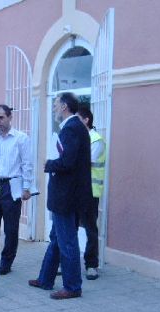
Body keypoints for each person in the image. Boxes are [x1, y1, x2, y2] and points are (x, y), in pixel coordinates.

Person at [28, 92, 92, 299]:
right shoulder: (74, 128)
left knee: (67, 241)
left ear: (65, 106)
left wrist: (49, 164)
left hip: (66, 196)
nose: (55, 109)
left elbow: (67, 161)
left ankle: (73, 286)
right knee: (57, 238)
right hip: (67, 195)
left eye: (56, 105)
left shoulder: (72, 128)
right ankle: (46, 278)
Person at [0, 104, 33, 275]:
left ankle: (6, 262)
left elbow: (27, 163)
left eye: (1, 117)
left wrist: (27, 187)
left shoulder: (21, 138)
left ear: (9, 117)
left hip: (12, 186)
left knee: (11, 228)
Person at [77, 106, 106, 280]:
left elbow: (84, 163)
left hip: (90, 192)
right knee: (68, 228)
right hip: (75, 191)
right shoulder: (78, 138)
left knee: (90, 229)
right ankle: (66, 263)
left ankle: (91, 265)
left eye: (77, 119)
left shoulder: (96, 140)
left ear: (86, 120)